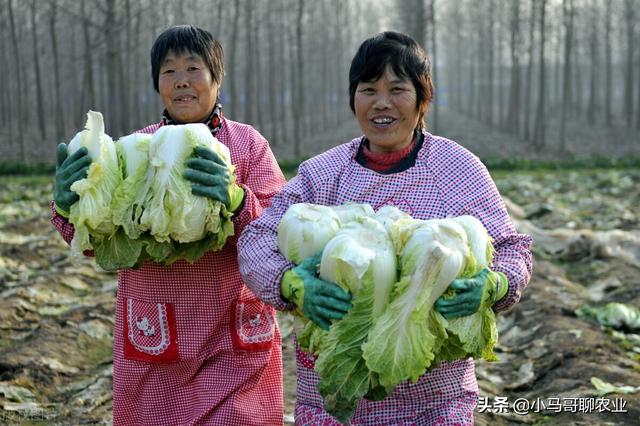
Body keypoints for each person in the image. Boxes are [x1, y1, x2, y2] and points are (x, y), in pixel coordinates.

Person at [237, 31, 533, 425]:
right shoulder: (322, 174)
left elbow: (513, 249)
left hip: (433, 402)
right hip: (335, 397)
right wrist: (291, 284)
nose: (381, 103)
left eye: (397, 89)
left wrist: (495, 285)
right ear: (352, 98)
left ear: (422, 98)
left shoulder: (458, 169)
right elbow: (257, 239)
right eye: (368, 90)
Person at [51, 25, 287, 425]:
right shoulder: (132, 149)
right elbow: (94, 241)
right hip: (157, 333)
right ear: (157, 82)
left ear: (217, 77)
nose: (182, 82)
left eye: (194, 69)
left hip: (232, 337)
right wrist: (69, 205)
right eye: (169, 71)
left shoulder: (247, 145)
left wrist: (238, 199)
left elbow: (280, 228)